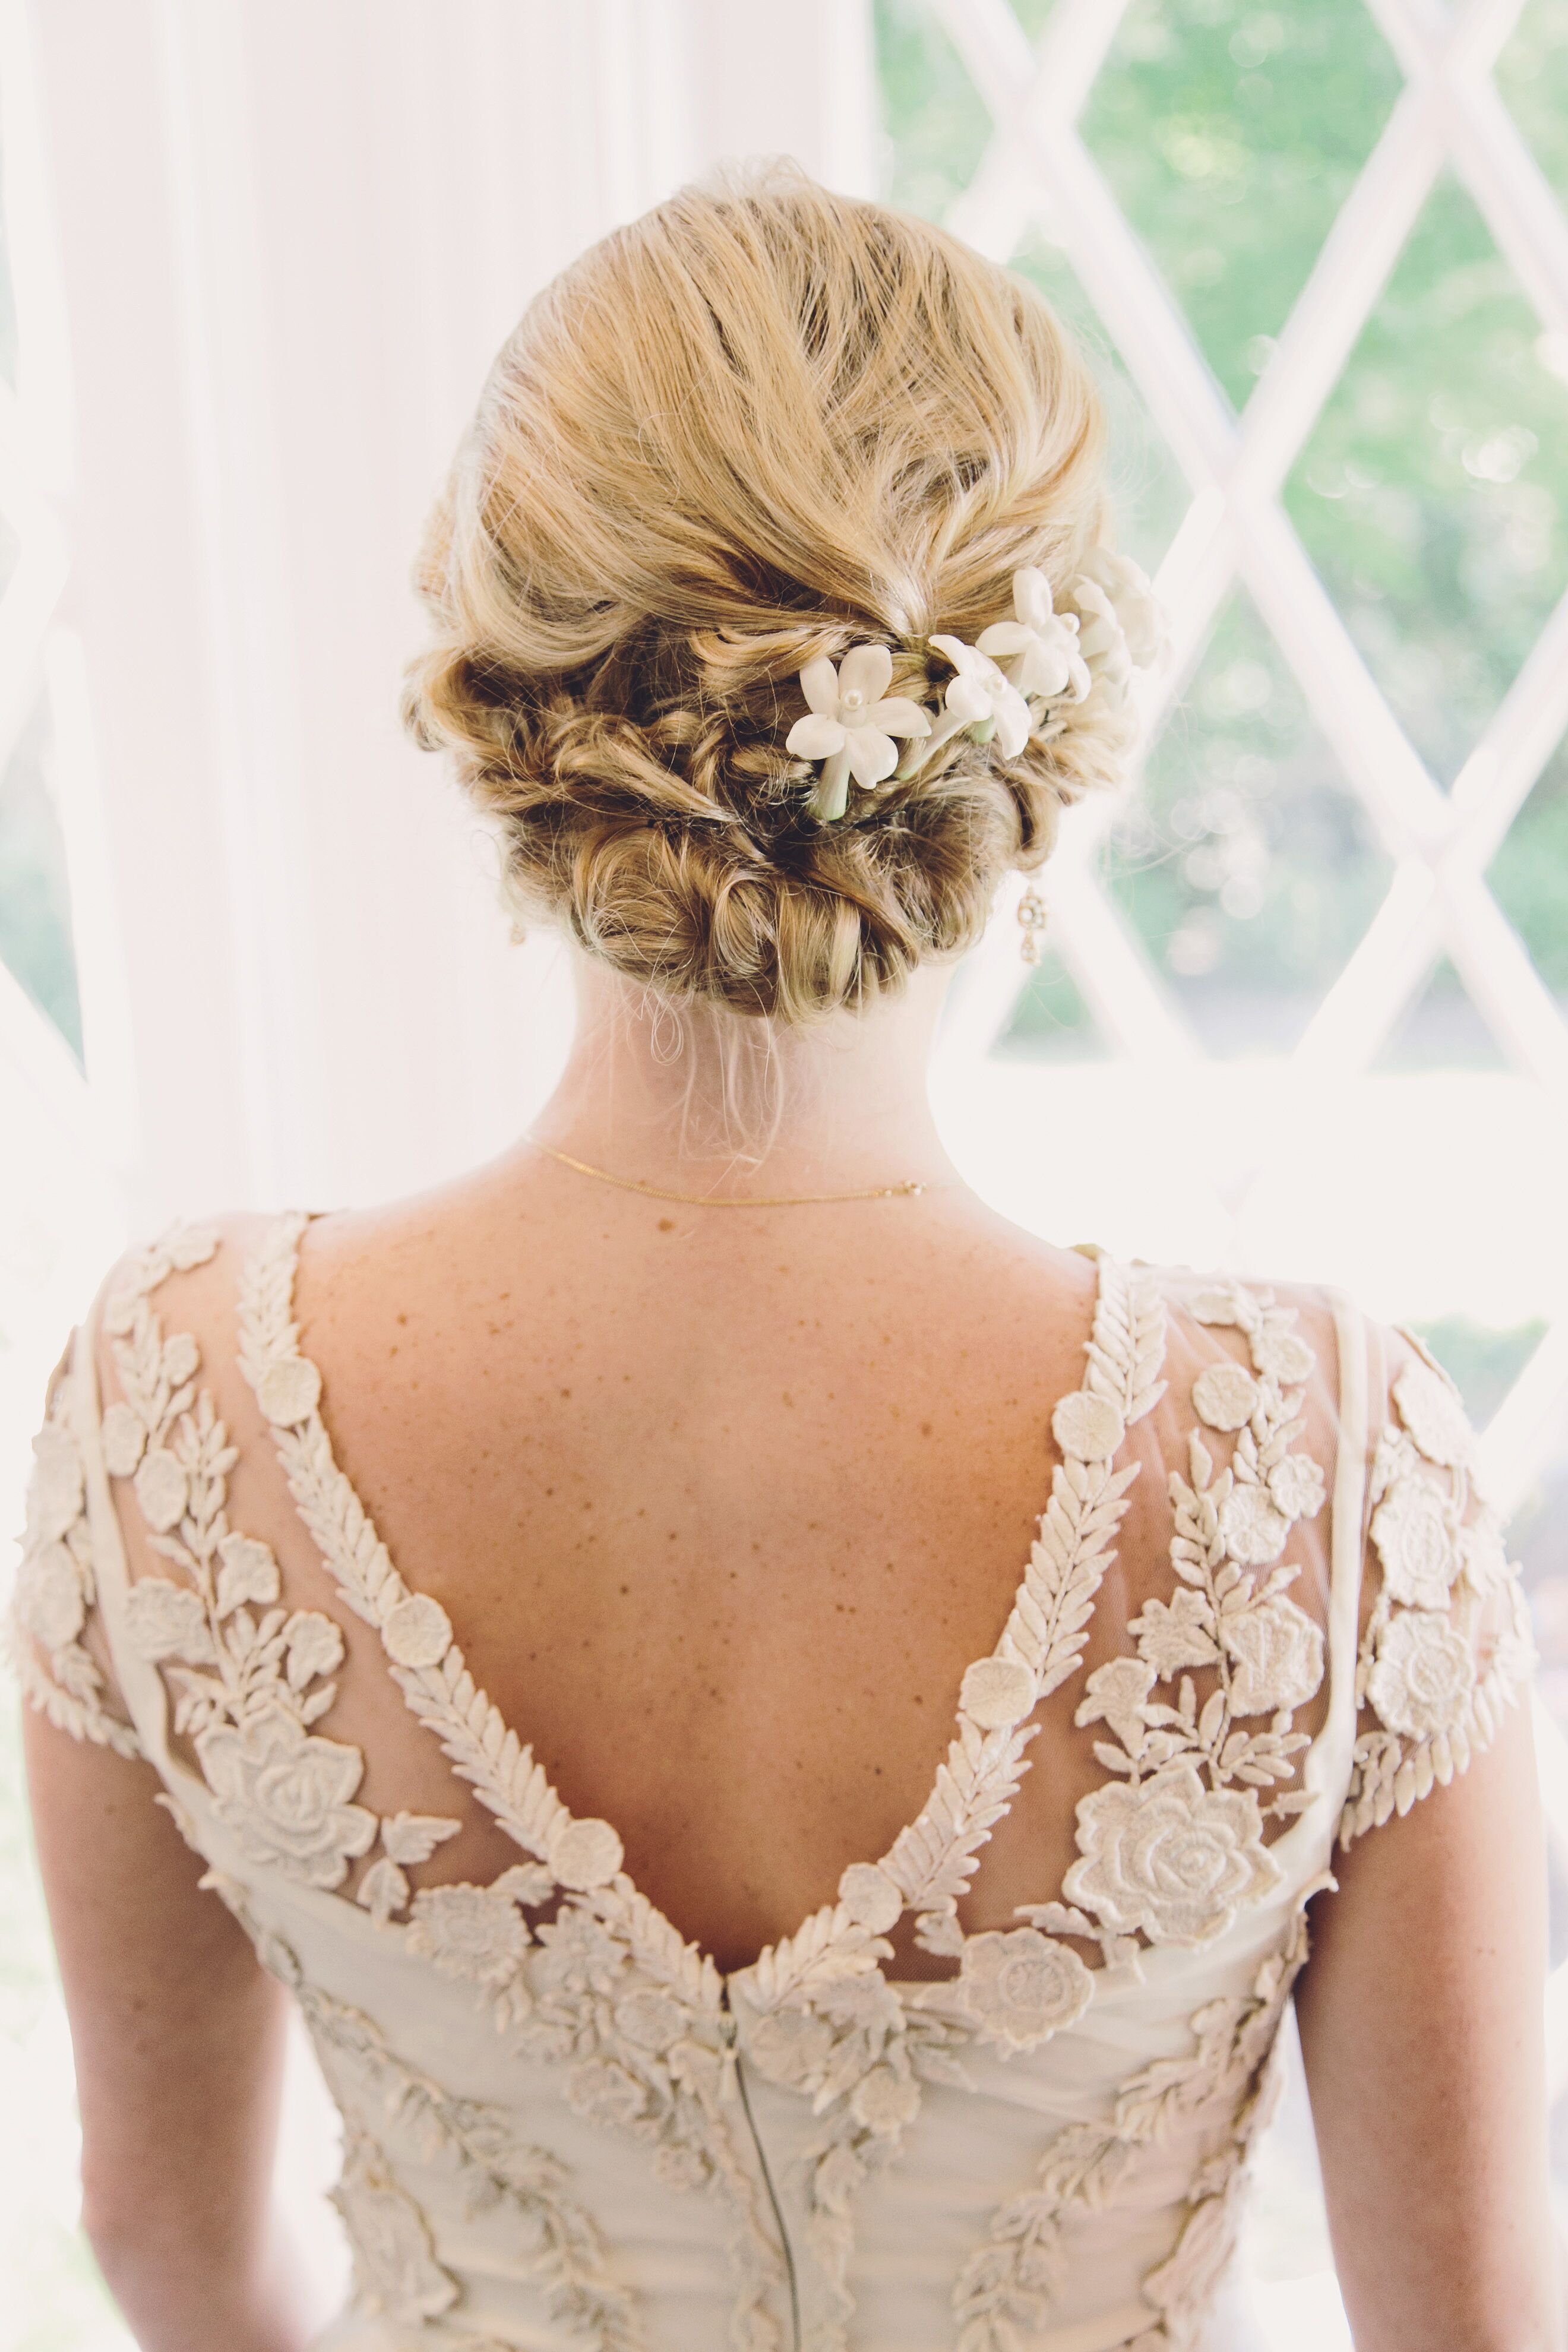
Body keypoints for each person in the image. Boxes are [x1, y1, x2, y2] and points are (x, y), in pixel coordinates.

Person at [11, 167, 1557, 2352]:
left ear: (502, 684)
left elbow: (163, 2234)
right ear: (1033, 710)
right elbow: (1477, 2329)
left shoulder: (169, 1401)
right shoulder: (1315, 1467)